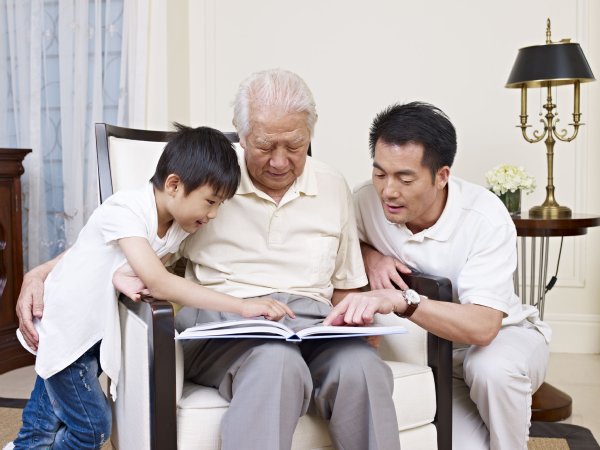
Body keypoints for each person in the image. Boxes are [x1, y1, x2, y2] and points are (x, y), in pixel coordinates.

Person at [15, 69, 400, 450]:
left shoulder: (332, 186)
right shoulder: (208, 185)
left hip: (312, 325)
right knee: (277, 364)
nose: (280, 161)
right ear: (241, 133)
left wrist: (359, 324)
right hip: (227, 333)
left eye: (295, 146)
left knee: (363, 368)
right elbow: (119, 236)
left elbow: (348, 285)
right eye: (265, 146)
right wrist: (42, 272)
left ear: (310, 134)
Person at [8, 124, 293, 450]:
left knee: (44, 421)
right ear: (174, 184)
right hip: (66, 331)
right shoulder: (125, 209)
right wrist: (242, 306)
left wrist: (124, 274)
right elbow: (158, 280)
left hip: (95, 335)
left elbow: (134, 262)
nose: (213, 215)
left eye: (220, 206)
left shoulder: (177, 227)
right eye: (210, 202)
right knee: (93, 429)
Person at [324, 101, 552, 450]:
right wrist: (369, 255)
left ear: (442, 175)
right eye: (380, 173)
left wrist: (403, 300)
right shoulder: (364, 202)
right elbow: (335, 251)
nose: (388, 191)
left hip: (503, 340)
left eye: (405, 178)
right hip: (432, 356)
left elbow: (483, 327)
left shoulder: (484, 217)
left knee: (491, 370)